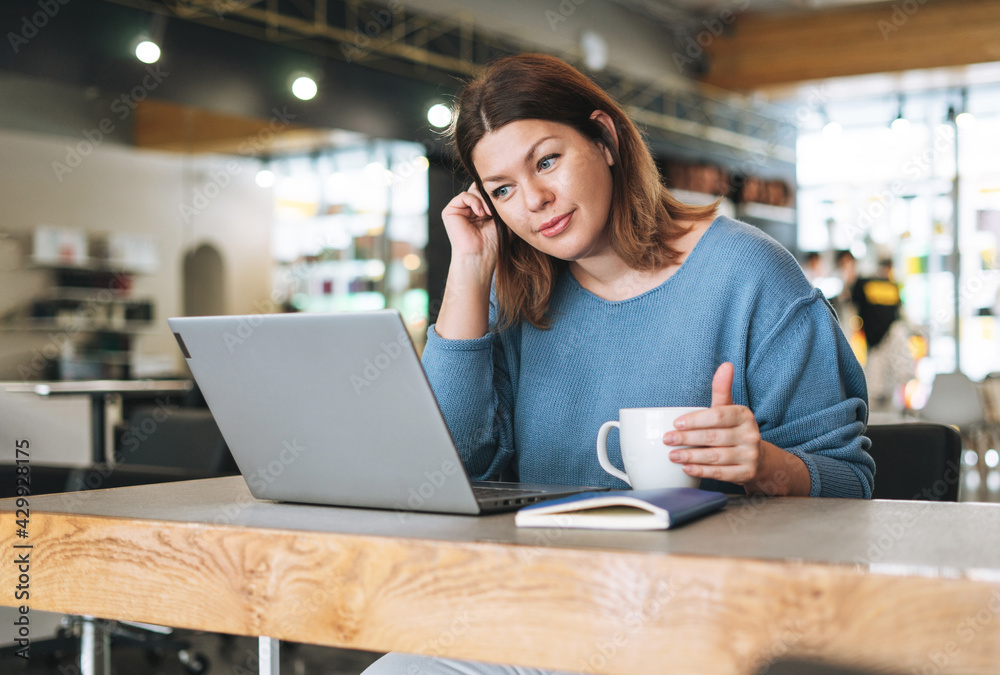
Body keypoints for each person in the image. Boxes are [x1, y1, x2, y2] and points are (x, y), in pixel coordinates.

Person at [362, 53, 873, 675]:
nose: (535, 201)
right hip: (538, 612)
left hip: (704, 623)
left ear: (605, 138)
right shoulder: (516, 292)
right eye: (502, 190)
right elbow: (451, 466)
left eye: (547, 161)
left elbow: (854, 490)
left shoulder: (750, 275)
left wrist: (765, 466)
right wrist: (468, 270)